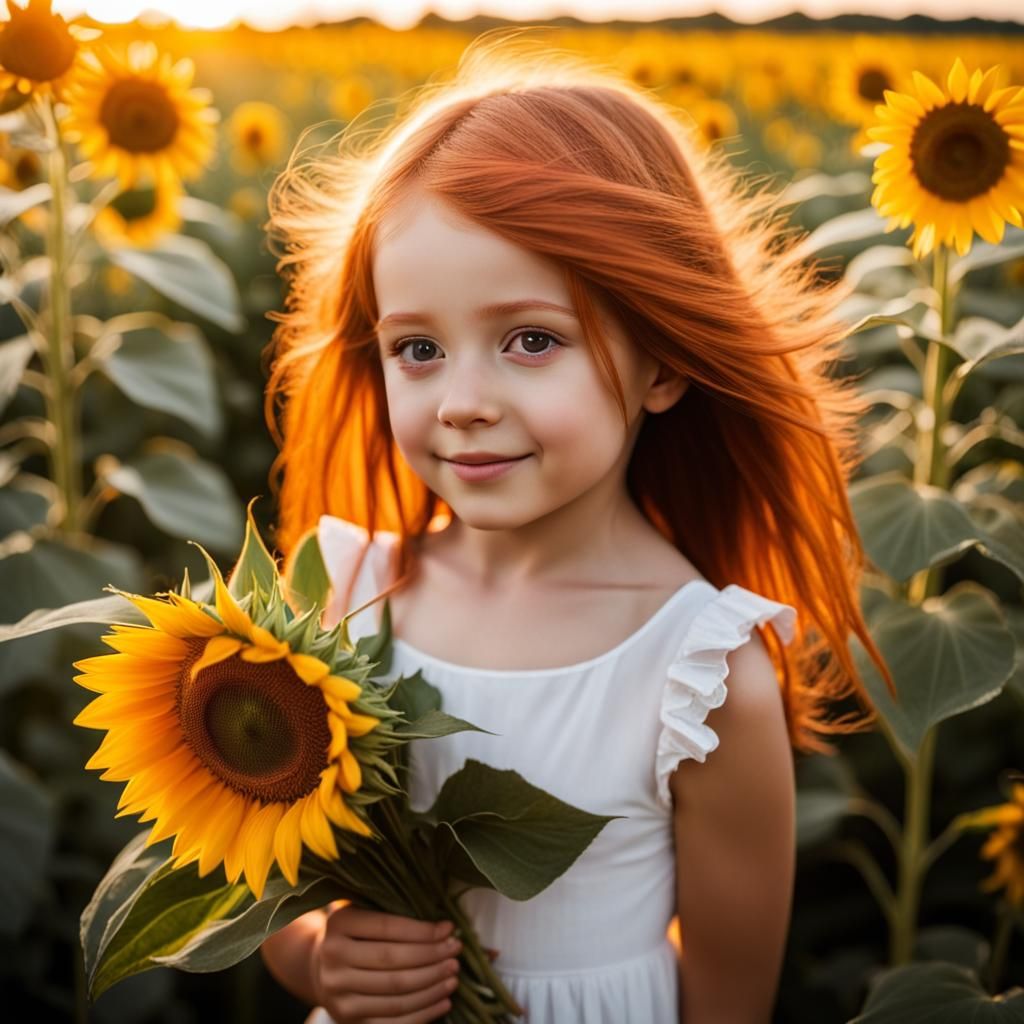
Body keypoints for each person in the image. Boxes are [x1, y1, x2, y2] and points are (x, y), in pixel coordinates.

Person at [257, 28, 893, 1024]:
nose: (462, 399)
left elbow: (727, 1002)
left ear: (664, 359)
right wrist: (318, 958)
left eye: (529, 340)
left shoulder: (700, 673)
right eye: (416, 346)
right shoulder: (340, 591)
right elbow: (267, 882)